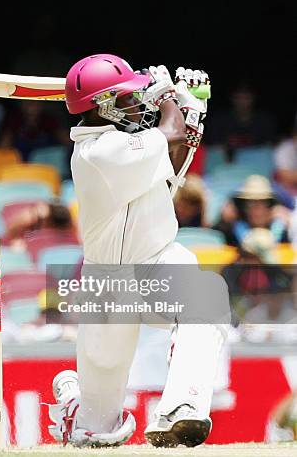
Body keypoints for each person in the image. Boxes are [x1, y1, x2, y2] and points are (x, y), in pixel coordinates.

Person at [46, 55, 228, 448]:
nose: (137, 104)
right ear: (104, 106)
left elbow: (173, 165)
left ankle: (180, 409)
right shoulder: (100, 153)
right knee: (98, 434)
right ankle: (77, 406)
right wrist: (170, 98)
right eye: (127, 99)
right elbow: (172, 132)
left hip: (156, 262)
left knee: (205, 298)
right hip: (108, 284)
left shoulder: (127, 143)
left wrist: (193, 107)